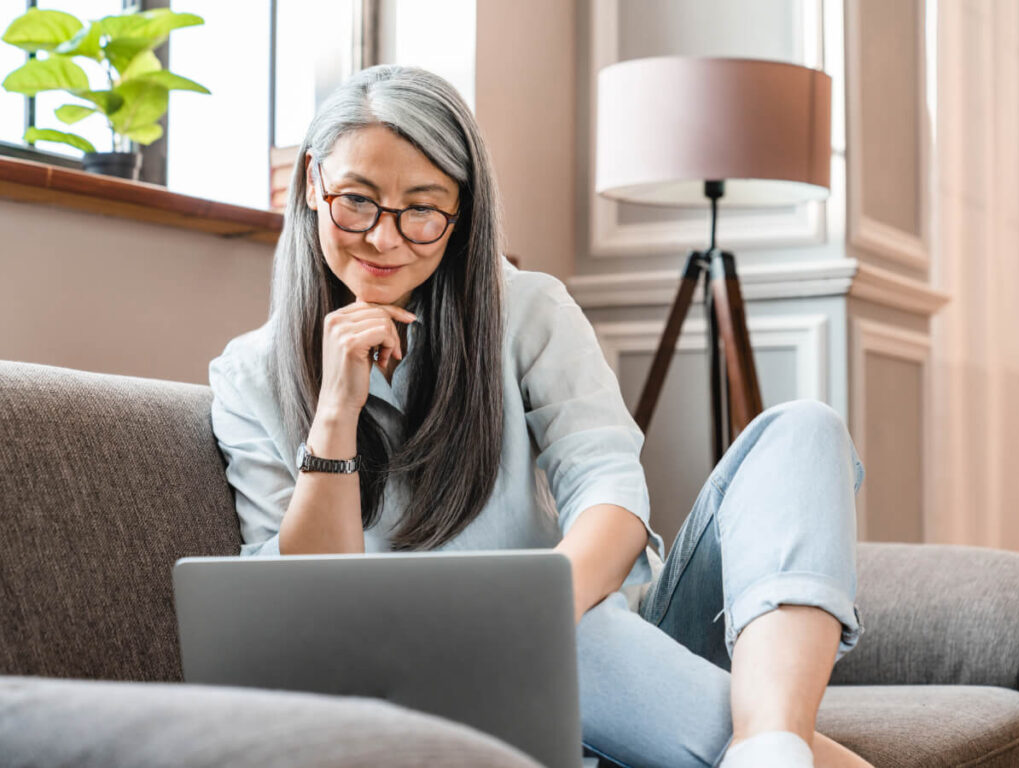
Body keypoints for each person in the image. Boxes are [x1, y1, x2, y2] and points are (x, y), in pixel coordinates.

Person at [208, 64, 872, 768]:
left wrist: (535, 627)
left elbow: (612, 504)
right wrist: (334, 413)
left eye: (424, 211)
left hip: (598, 639)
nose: (384, 238)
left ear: (463, 213)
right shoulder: (249, 377)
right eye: (357, 202)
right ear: (311, 182)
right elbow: (306, 608)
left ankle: (771, 742)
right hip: (455, 689)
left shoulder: (527, 310)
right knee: (573, 633)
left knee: (802, 429)